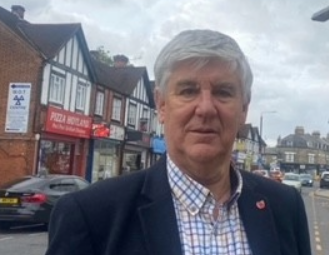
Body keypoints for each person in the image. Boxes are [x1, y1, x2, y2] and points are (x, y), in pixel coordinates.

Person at [46, 29, 312, 255]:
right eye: (188, 91)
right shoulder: (91, 215)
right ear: (161, 105)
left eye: (223, 92)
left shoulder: (285, 207)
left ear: (244, 108)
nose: (205, 108)